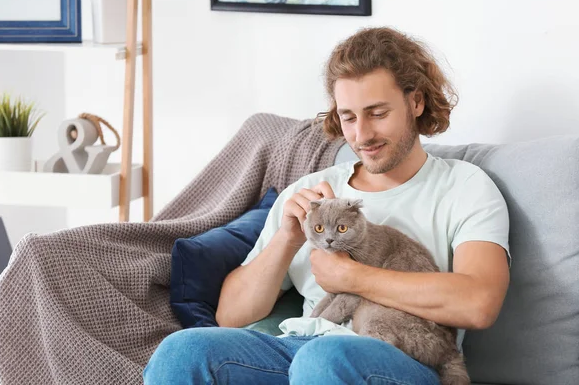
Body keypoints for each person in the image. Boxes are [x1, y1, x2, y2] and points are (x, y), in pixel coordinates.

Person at [143, 26, 510, 384]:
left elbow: (479, 302)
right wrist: (286, 240)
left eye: (377, 113)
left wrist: (353, 278)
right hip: (300, 346)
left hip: (399, 356)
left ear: (416, 102)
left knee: (325, 360)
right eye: (348, 117)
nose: (361, 135)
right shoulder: (310, 193)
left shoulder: (464, 186)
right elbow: (230, 315)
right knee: (182, 350)